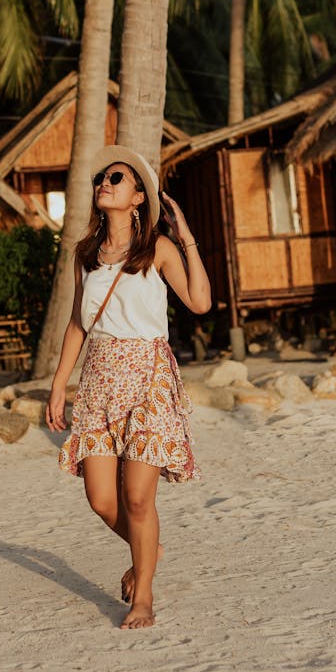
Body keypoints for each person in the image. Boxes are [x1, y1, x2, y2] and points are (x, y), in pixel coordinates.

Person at [46, 144, 211, 630]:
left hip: (148, 377)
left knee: (139, 499)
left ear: (138, 196)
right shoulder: (86, 255)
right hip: (98, 379)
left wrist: (187, 239)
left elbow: (200, 302)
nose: (105, 183)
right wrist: (59, 387)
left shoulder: (156, 250)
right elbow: (77, 323)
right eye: (102, 177)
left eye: (116, 178)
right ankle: (149, 548)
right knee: (101, 499)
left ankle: (144, 596)